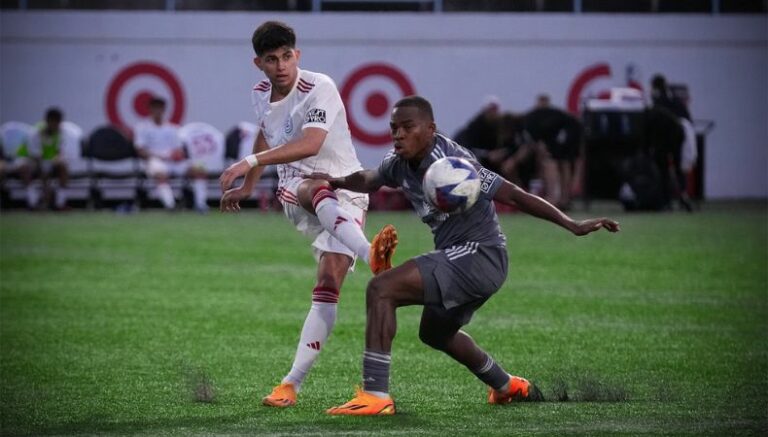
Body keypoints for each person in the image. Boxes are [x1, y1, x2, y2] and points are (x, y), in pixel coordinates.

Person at [322, 96, 619, 416]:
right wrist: (335, 182)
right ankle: (507, 386)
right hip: (460, 257)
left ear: (431, 129)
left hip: (480, 255)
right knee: (435, 334)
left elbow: (513, 194)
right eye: (394, 128)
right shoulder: (398, 162)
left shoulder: (454, 163)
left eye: (408, 127)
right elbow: (370, 180)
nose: (399, 134)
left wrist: (572, 224)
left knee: (381, 290)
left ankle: (375, 395)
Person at [218, 20, 398, 408]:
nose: (281, 65)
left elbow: (312, 142)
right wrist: (249, 184)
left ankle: (290, 385)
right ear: (258, 64)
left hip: (346, 190)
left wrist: (248, 163)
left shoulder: (320, 86)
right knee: (313, 184)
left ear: (297, 54)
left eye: (287, 56)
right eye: (272, 59)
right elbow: (266, 133)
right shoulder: (260, 93)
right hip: (296, 187)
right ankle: (371, 255)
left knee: (329, 283)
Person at [134, 97, 209, 212]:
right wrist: (160, 156)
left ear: (164, 109)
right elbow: (140, 151)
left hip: (173, 162)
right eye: (155, 107)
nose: (157, 110)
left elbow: (179, 150)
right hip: (154, 161)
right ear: (150, 109)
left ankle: (201, 205)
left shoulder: (173, 128)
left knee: (199, 170)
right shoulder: (142, 128)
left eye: (160, 108)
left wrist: (177, 155)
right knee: (161, 174)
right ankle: (170, 205)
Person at [524, 94, 584, 210]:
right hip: (549, 147)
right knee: (550, 165)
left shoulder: (561, 117)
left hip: (561, 145)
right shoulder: (532, 118)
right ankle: (554, 197)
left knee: (561, 165)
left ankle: (562, 198)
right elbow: (535, 138)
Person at [16, 108, 70, 210]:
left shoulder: (61, 132)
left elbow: (60, 152)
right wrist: (46, 183)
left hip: (48, 161)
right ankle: (33, 200)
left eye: (58, 123)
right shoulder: (35, 132)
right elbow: (37, 158)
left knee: (63, 165)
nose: (56, 125)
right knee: (24, 167)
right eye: (53, 122)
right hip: (30, 160)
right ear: (47, 121)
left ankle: (60, 202)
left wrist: (56, 160)